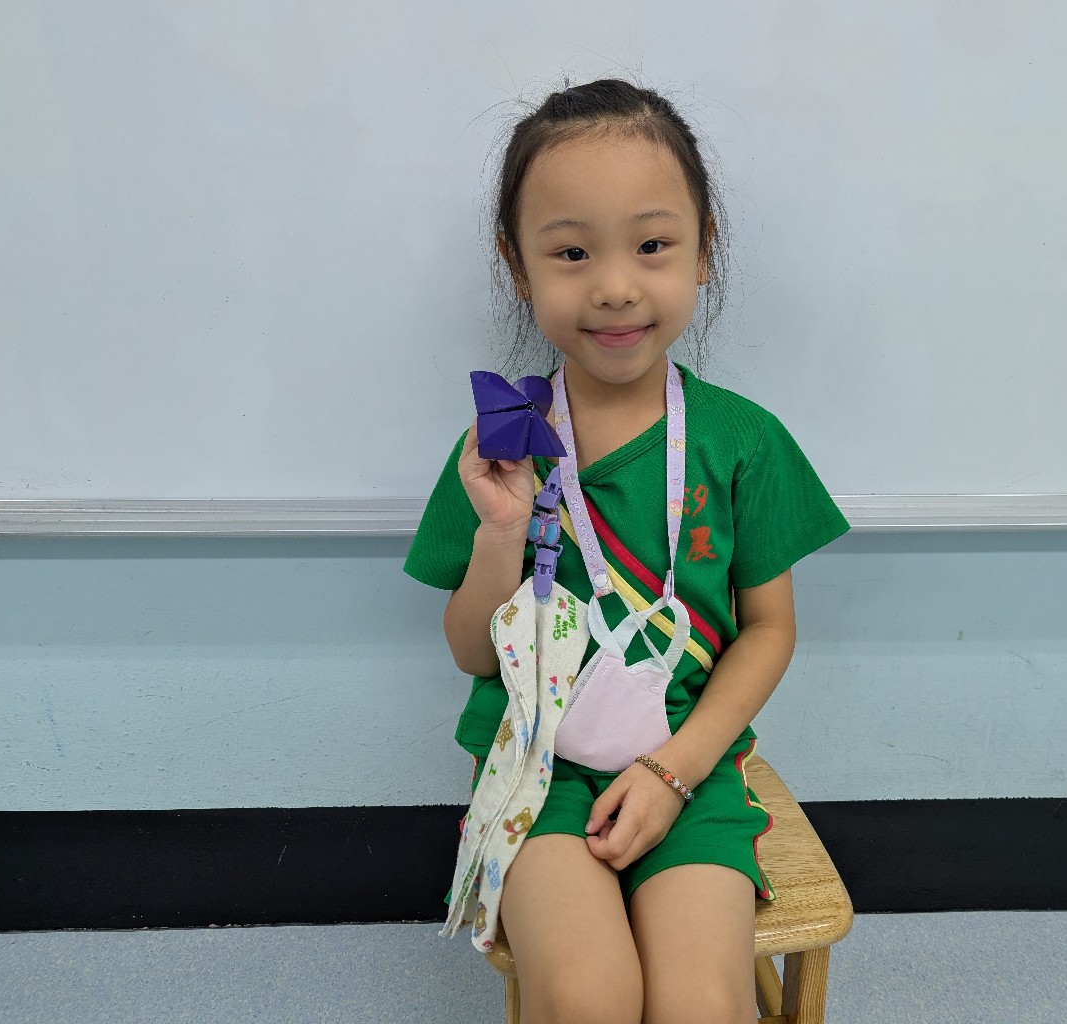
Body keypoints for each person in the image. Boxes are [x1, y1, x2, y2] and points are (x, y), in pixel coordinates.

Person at [404, 78, 849, 1024]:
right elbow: (473, 653)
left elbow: (769, 630)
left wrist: (674, 771)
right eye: (572, 252)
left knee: (701, 1004)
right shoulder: (501, 446)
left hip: (690, 765)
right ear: (518, 265)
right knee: (588, 996)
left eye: (651, 245)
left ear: (704, 250)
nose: (613, 285)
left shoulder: (742, 441)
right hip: (537, 769)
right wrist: (501, 531)